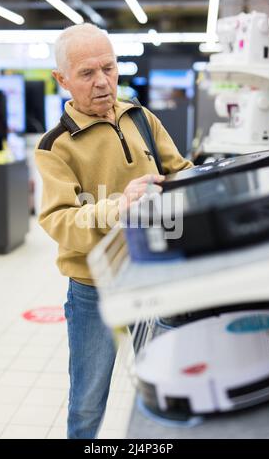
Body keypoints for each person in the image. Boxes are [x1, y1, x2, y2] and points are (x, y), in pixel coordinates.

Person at [35, 23, 193, 439]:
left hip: (155, 275)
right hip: (94, 289)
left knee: (165, 388)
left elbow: (181, 173)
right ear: (62, 79)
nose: (103, 81)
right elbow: (59, 220)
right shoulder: (56, 147)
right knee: (88, 403)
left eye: (108, 67)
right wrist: (119, 206)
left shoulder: (142, 118)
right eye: (87, 73)